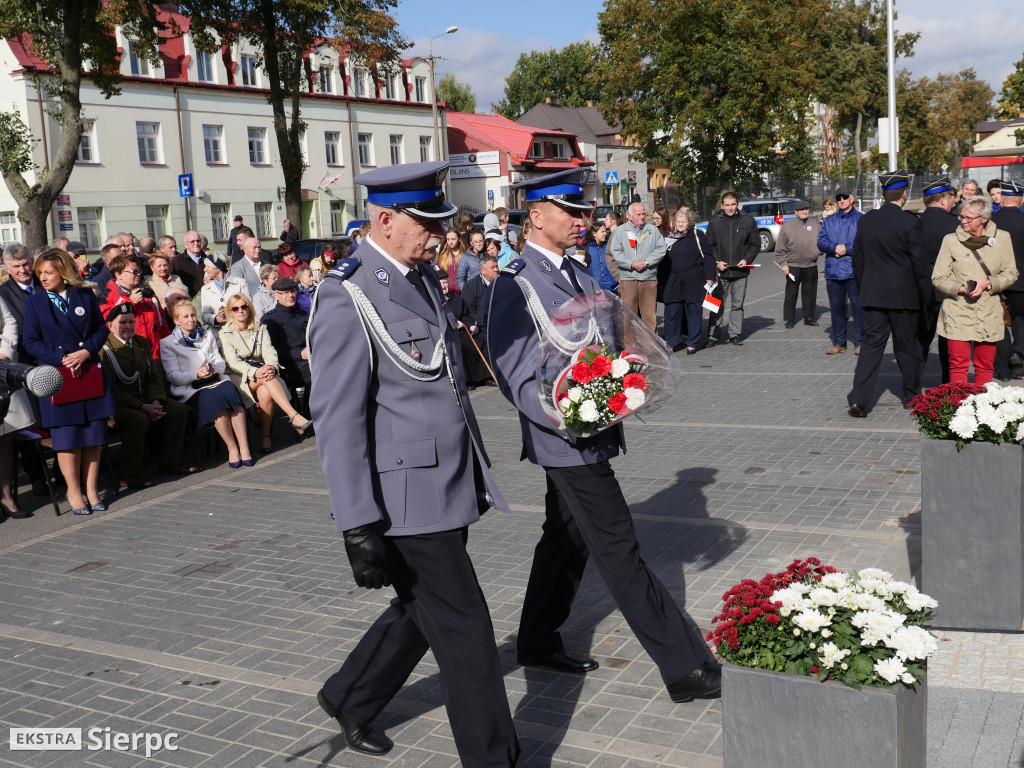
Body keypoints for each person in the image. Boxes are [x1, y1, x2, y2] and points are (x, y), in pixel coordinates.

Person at [308, 160, 520, 765]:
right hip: (405, 502)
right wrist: (356, 523)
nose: (439, 234)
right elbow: (339, 419)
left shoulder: (421, 277)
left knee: (418, 609)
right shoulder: (346, 294)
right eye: (427, 223)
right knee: (468, 635)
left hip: (446, 483)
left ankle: (351, 695)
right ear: (385, 220)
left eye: (440, 222)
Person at [487, 168, 722, 705]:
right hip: (565, 437)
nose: (580, 220)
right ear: (537, 215)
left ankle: (536, 638)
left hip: (593, 426)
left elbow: (604, 337)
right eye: (569, 212)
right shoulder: (516, 282)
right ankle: (684, 666)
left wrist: (627, 370)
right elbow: (514, 372)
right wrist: (569, 413)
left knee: (565, 537)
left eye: (582, 212)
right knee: (619, 548)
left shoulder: (578, 271)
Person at [22, 248, 116, 515]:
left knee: (93, 436)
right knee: (68, 438)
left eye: (48, 272)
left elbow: (100, 329)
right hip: (58, 377)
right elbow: (30, 342)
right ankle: (74, 492)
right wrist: (63, 357)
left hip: (88, 373)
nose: (43, 277)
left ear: (63, 272)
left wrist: (86, 351)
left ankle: (91, 490)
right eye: (40, 273)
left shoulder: (85, 294)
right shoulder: (35, 302)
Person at [847, 171, 931, 417]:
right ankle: (912, 396)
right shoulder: (911, 222)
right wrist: (925, 297)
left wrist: (865, 289)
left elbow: (858, 261)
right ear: (905, 195)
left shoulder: (867, 221)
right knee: (906, 348)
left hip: (873, 296)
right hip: (904, 298)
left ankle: (858, 400)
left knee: (872, 346)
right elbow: (920, 266)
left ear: (884, 195)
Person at [101, 303, 194, 488]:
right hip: (120, 405)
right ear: (110, 326)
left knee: (179, 409)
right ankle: (129, 474)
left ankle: (170, 461)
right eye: (123, 322)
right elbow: (111, 390)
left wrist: (156, 401)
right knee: (138, 419)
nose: (128, 326)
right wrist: (143, 407)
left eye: (131, 321)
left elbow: (153, 377)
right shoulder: (105, 350)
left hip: (147, 398)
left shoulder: (141, 343)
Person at [930, 195, 1018, 385]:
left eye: (969, 218)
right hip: (957, 310)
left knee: (985, 364)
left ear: (984, 218)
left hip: (988, 310)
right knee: (958, 364)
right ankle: (958, 408)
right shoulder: (951, 240)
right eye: (961, 217)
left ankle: (979, 408)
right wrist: (960, 288)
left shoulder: (1002, 238)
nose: (963, 221)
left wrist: (988, 283)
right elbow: (938, 277)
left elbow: (1011, 273)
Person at [161, 301, 252, 468]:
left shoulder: (207, 334)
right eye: (186, 316)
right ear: (176, 320)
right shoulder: (168, 343)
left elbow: (220, 362)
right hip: (191, 388)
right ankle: (232, 448)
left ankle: (244, 446)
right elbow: (173, 376)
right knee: (214, 400)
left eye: (193, 315)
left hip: (214, 379)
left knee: (230, 391)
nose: (191, 319)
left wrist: (212, 369)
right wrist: (196, 374)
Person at [219, 293, 312, 454]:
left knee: (265, 392)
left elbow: (270, 353)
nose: (240, 311)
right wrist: (257, 371)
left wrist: (271, 367)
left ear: (249, 308)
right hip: (240, 377)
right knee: (265, 378)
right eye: (235, 308)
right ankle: (293, 415)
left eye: (244, 306)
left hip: (264, 375)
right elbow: (233, 363)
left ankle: (265, 435)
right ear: (230, 312)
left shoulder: (260, 329)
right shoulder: (224, 333)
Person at [916, 177, 960, 384]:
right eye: (951, 197)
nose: (953, 201)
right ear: (943, 200)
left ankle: (913, 384)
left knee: (921, 339)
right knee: (948, 339)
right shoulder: (956, 225)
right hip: (948, 289)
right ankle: (948, 385)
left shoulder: (914, 223)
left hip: (919, 289)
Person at [0, 293, 36, 520]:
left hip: (1, 369)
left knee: (6, 436)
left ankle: (5, 495)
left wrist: (6, 351)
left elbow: (9, 321)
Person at [706, 192, 759, 345]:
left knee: (737, 305)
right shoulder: (714, 222)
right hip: (720, 272)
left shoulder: (748, 221)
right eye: (727, 205)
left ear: (737, 204)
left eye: (733, 204)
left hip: (740, 271)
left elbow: (754, 245)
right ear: (722, 206)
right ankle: (712, 335)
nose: (730, 208)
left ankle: (734, 334)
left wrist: (746, 259)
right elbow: (709, 246)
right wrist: (716, 261)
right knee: (716, 304)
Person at [818, 186, 865, 355]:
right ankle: (839, 342)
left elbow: (864, 242)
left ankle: (860, 342)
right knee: (836, 307)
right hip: (834, 271)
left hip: (854, 270)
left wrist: (846, 249)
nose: (842, 200)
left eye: (845, 197)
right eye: (839, 198)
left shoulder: (861, 219)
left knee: (858, 308)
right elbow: (821, 242)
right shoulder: (830, 220)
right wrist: (834, 247)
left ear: (852, 199)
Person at [663, 209, 716, 353]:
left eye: (683, 221)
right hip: (674, 279)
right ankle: (672, 342)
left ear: (689, 222)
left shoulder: (697, 234)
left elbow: (708, 256)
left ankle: (692, 342)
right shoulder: (668, 237)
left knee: (694, 311)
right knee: (672, 311)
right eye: (678, 221)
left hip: (694, 279)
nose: (680, 224)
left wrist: (710, 276)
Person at [100, 255, 171, 360]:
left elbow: (162, 325)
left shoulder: (147, 293)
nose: (138, 274)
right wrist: (130, 302)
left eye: (139, 271)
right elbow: (106, 320)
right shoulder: (107, 295)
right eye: (134, 272)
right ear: (118, 274)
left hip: (156, 355)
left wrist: (169, 347)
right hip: (127, 356)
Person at [609, 201, 666, 332]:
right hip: (628, 278)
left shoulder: (653, 230)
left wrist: (646, 262)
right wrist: (631, 264)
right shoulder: (620, 231)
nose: (642, 217)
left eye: (644, 214)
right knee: (629, 317)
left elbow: (661, 250)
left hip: (649, 278)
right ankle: (631, 349)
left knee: (649, 317)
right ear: (628, 215)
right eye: (638, 214)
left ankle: (652, 349)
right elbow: (615, 252)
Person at [993, 180, 1024, 378]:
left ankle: (1002, 369)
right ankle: (1018, 351)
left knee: (998, 322)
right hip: (1021, 282)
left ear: (1002, 200)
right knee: (1021, 318)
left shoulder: (990, 223)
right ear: (1021, 201)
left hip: (994, 280)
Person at [261, 277, 311, 397]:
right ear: (276, 295)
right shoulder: (270, 319)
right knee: (317, 374)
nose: (291, 295)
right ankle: (309, 413)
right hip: (289, 365)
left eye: (293, 291)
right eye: (286, 292)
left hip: (310, 359)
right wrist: (299, 354)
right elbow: (272, 351)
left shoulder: (303, 315)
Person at [775, 200, 821, 328]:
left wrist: (819, 251)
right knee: (791, 293)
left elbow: (822, 241)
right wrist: (783, 263)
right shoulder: (787, 226)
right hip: (793, 266)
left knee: (810, 293)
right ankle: (789, 319)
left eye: (807, 209)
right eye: (802, 209)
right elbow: (780, 247)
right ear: (796, 212)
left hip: (811, 265)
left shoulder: (815, 224)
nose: (805, 211)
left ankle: (809, 317)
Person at [199, 253, 249, 332]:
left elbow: (248, 306)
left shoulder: (240, 283)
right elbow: (205, 315)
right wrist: (215, 319)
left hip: (240, 332)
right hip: (219, 336)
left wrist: (231, 311)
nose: (205, 269)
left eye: (208, 266)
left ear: (218, 267)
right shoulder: (205, 289)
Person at [171, 231, 206, 296]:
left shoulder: (208, 260)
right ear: (185, 245)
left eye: (198, 241)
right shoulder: (176, 261)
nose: (196, 244)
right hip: (188, 301)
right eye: (192, 241)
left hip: (208, 300)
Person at [584, 221, 617, 292]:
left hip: (611, 289)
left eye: (605, 231)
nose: (605, 233)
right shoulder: (586, 249)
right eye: (602, 232)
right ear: (594, 233)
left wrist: (615, 282)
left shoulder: (608, 247)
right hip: (594, 290)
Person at [436, 227, 466, 293]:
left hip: (463, 292)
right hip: (448, 292)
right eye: (448, 239)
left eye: (453, 239)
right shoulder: (443, 255)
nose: (450, 242)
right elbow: (440, 274)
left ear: (459, 239)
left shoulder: (466, 255)